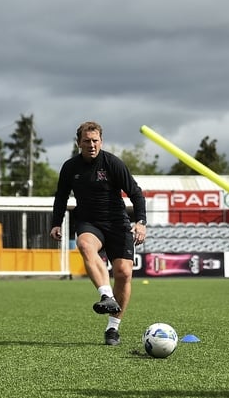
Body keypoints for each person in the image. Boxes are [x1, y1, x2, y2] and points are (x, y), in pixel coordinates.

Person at [50, 121, 147, 346]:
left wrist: (140, 222)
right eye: (87, 141)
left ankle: (113, 329)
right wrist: (56, 223)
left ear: (101, 142)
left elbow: (136, 193)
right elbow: (61, 197)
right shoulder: (70, 167)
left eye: (95, 141)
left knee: (123, 273)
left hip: (117, 224)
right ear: (79, 143)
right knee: (84, 244)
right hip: (89, 222)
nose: (91, 145)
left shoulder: (112, 163)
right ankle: (106, 295)